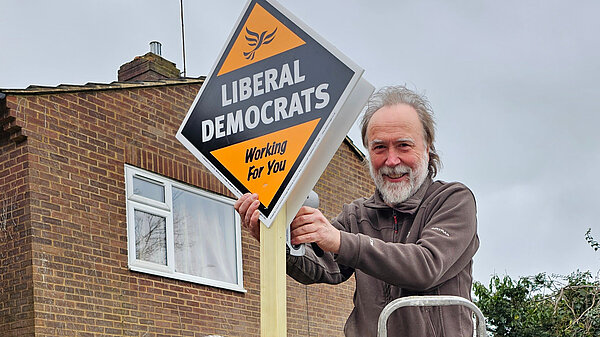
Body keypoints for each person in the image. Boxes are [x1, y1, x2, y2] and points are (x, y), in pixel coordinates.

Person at [235, 85, 479, 336]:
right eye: (379, 147)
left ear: (427, 148)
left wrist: (340, 241)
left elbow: (426, 266)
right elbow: (322, 265)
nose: (391, 160)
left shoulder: (453, 201)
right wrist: (277, 238)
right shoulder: (357, 215)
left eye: (404, 146)